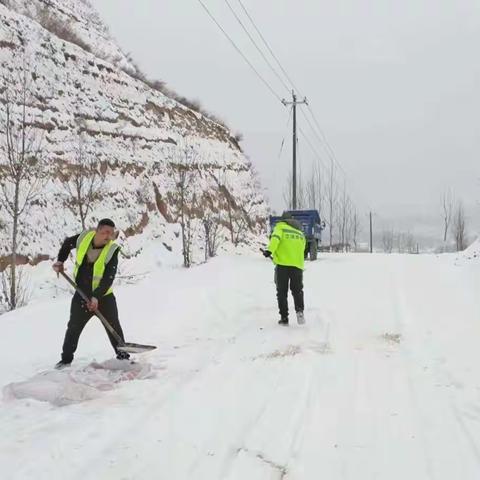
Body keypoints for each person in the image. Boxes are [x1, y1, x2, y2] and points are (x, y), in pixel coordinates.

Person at [52, 218, 129, 368]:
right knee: (73, 327)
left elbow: (108, 278)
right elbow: (68, 243)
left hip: (104, 297)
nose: (108, 236)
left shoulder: (112, 250)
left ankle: (123, 357)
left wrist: (96, 297)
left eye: (111, 233)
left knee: (114, 326)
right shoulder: (84, 238)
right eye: (105, 232)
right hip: (81, 293)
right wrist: (60, 261)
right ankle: (65, 360)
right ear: (97, 230)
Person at [263, 212, 306, 326]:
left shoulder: (280, 227)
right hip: (297, 265)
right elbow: (303, 248)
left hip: (282, 265)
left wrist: (269, 251)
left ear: (283, 220)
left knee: (282, 292)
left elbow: (275, 239)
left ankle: (284, 317)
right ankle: (300, 311)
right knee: (297, 290)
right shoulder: (300, 233)